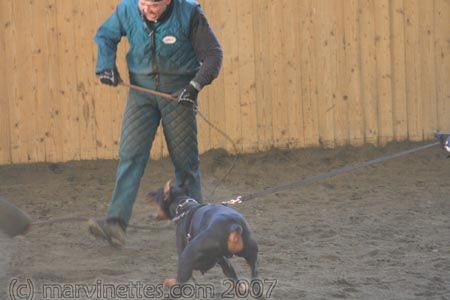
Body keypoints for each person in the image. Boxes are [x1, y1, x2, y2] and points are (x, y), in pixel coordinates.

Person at [87, 0, 223, 247]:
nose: (149, 10)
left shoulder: (190, 13)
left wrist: (194, 86)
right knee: (130, 155)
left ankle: (196, 228)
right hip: (140, 93)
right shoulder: (126, 9)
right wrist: (105, 66)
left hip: (178, 95)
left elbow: (214, 54)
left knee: (185, 163)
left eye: (156, 6)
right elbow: (105, 36)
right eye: (144, 4)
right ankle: (116, 224)